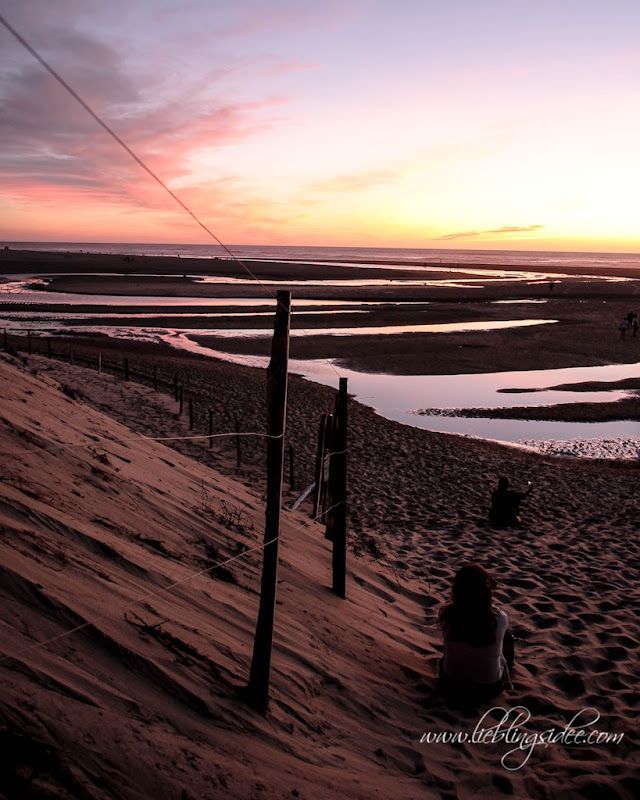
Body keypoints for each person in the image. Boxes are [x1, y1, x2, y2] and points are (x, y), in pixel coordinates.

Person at [438, 564, 511, 701]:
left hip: (451, 684)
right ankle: (508, 670)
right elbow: (491, 611)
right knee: (505, 636)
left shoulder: (446, 614)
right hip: (488, 689)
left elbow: (450, 603)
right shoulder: (500, 619)